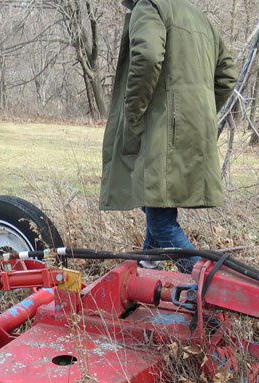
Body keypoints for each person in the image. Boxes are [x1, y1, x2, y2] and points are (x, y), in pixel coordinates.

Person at [100, 0, 236, 273]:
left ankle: (208, 290)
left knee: (161, 220)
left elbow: (148, 56)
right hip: (190, 126)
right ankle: (146, 266)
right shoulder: (199, 18)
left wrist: (133, 111)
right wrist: (202, 111)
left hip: (162, 127)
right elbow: (227, 75)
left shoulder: (149, 7)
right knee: (155, 201)